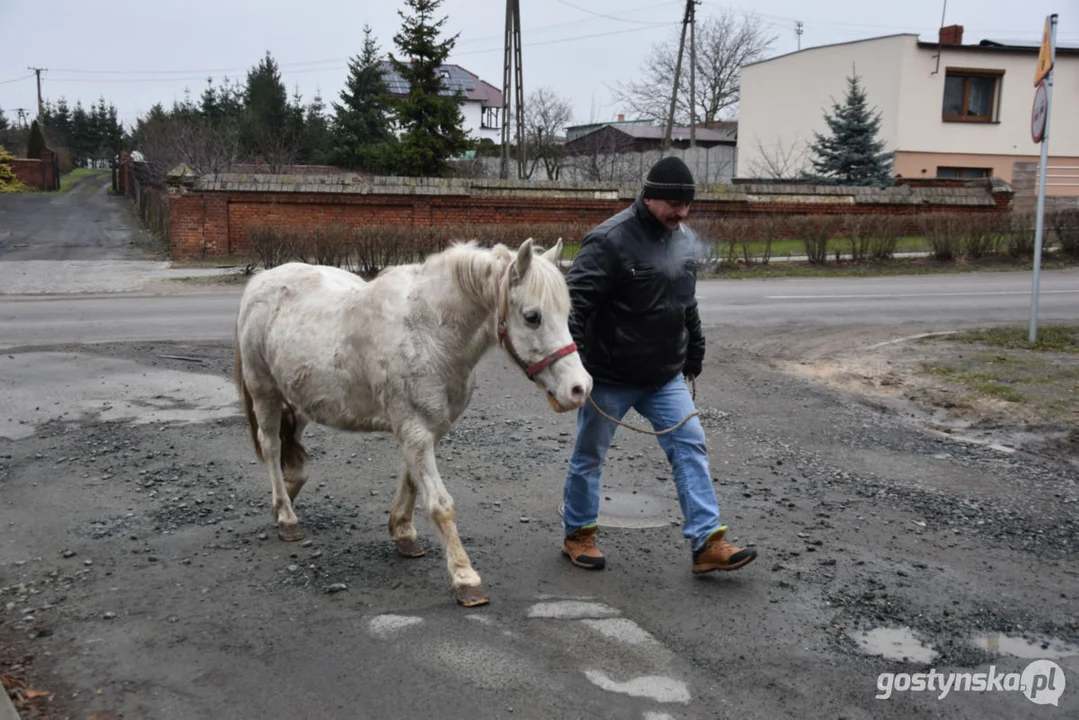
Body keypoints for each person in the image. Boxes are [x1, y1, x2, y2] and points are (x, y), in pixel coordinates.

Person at [559, 155, 757, 575]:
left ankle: (706, 543)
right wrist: (571, 367)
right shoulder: (609, 240)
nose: (682, 214)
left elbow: (686, 302)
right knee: (589, 455)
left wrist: (695, 351)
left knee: (690, 445)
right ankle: (578, 534)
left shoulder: (682, 238)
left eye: (687, 206)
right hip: (609, 375)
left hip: (664, 375)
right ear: (649, 197)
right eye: (674, 205)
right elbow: (572, 307)